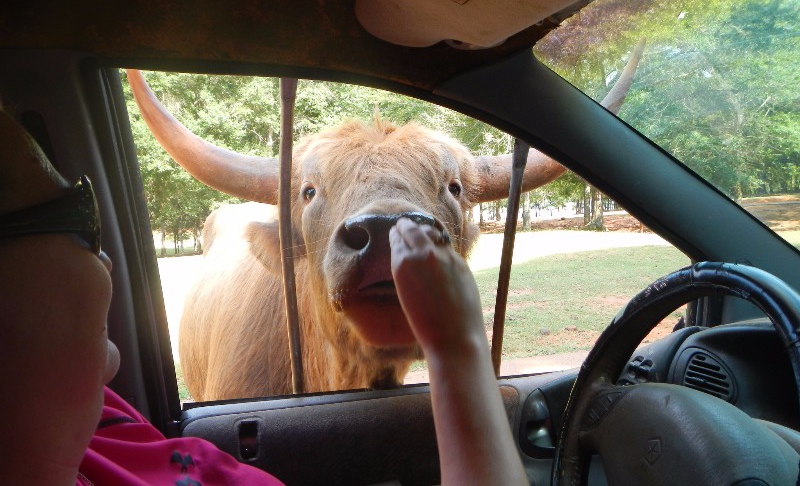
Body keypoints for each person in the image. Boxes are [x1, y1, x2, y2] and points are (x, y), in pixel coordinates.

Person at [0, 107, 527, 486]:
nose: (104, 256)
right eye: (78, 221)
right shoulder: (78, 412)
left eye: (452, 190)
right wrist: (459, 353)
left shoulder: (99, 418)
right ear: (282, 250)